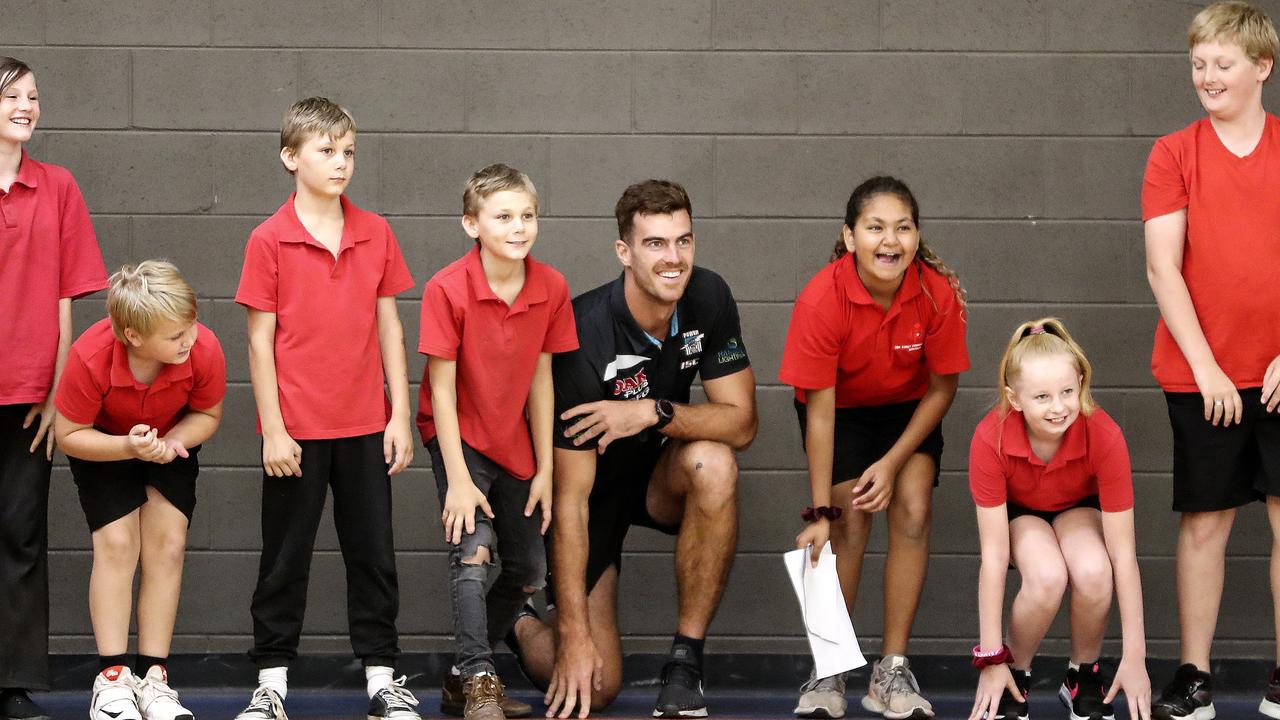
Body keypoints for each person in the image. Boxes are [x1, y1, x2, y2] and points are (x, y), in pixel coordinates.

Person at [508, 179, 757, 719]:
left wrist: (651, 411)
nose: (674, 259)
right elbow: (570, 503)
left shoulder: (709, 297)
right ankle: (521, 617)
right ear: (624, 251)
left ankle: (685, 662)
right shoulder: (580, 333)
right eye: (655, 244)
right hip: (589, 498)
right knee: (596, 687)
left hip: (655, 479)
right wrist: (572, 633)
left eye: (683, 241)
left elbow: (741, 424)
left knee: (714, 461)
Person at [233, 97, 419, 720]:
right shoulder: (268, 238)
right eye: (326, 151)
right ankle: (272, 681)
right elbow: (260, 342)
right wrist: (274, 431)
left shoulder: (376, 231)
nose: (341, 164)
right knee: (284, 559)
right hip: (297, 433)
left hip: (366, 424)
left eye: (349, 153)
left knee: (374, 554)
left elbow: (390, 327)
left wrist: (398, 415)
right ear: (290, 157)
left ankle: (383, 678)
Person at [779, 176, 967, 720]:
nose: (890, 240)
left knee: (913, 508)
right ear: (850, 235)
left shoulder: (936, 292)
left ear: (916, 235)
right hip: (839, 412)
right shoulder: (823, 297)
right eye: (875, 227)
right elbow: (819, 413)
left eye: (903, 227)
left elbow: (943, 387)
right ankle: (830, 668)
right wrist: (818, 511)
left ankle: (891, 669)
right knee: (847, 520)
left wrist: (892, 461)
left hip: (909, 410)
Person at [1142, 3, 1280, 718]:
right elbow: (1165, 268)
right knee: (1205, 523)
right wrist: (1208, 369)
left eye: (1222, 64)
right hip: (1203, 377)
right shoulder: (1174, 152)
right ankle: (1194, 679)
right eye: (1198, 64)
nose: (1207, 77)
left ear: (1262, 67)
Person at [417, 164, 577, 720]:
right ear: (472, 224)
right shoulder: (446, 287)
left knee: (530, 571)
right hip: (458, 438)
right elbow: (440, 390)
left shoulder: (551, 286)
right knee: (471, 553)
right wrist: (457, 480)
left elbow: (541, 379)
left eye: (527, 215)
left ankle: (460, 676)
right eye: (503, 216)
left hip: (516, 443)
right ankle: (481, 678)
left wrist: (546, 471)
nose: (519, 227)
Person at [55, 261, 226, 720]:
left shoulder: (203, 347)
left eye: (190, 327)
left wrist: (171, 443)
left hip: (169, 441)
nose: (188, 340)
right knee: (117, 544)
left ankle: (154, 679)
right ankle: (112, 680)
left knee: (168, 546)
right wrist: (127, 447)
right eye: (175, 337)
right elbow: (68, 434)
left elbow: (207, 416)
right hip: (104, 444)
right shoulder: (91, 357)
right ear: (133, 336)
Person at [966, 319, 1150, 720]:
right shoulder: (990, 437)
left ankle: (1083, 675)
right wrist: (990, 658)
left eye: (1068, 391)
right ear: (1014, 399)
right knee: (1048, 575)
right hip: (1021, 514)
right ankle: (1014, 673)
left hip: (1076, 507)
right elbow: (994, 558)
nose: (1059, 407)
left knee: (1095, 569)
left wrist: (1136, 655)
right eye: (1043, 397)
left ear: (1081, 382)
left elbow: (1124, 555)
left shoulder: (1104, 434)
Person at [0, 55, 108, 720]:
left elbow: (71, 295)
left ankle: (11, 682)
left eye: (33, 96)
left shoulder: (58, 186)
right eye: (13, 95)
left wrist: (57, 391)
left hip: (30, 397)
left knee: (20, 535)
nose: (26, 106)